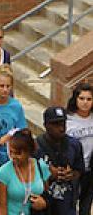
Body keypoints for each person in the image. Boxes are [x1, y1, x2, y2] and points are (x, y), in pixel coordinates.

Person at [35, 106, 84, 215]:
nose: (61, 128)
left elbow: (79, 170)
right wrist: (49, 174)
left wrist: (70, 175)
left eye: (63, 124)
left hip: (66, 204)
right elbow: (27, 176)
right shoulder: (36, 147)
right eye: (56, 124)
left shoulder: (74, 145)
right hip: (43, 205)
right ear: (46, 125)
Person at [0, 129, 51, 215]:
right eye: (11, 152)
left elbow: (47, 194)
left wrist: (44, 203)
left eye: (18, 153)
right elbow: (1, 207)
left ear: (28, 151)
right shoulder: (3, 172)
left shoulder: (41, 166)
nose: (13, 156)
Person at [67, 84, 93, 215]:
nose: (85, 102)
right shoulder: (68, 120)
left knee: (86, 206)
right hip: (73, 170)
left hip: (90, 170)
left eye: (89, 99)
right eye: (82, 98)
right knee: (70, 203)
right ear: (75, 99)